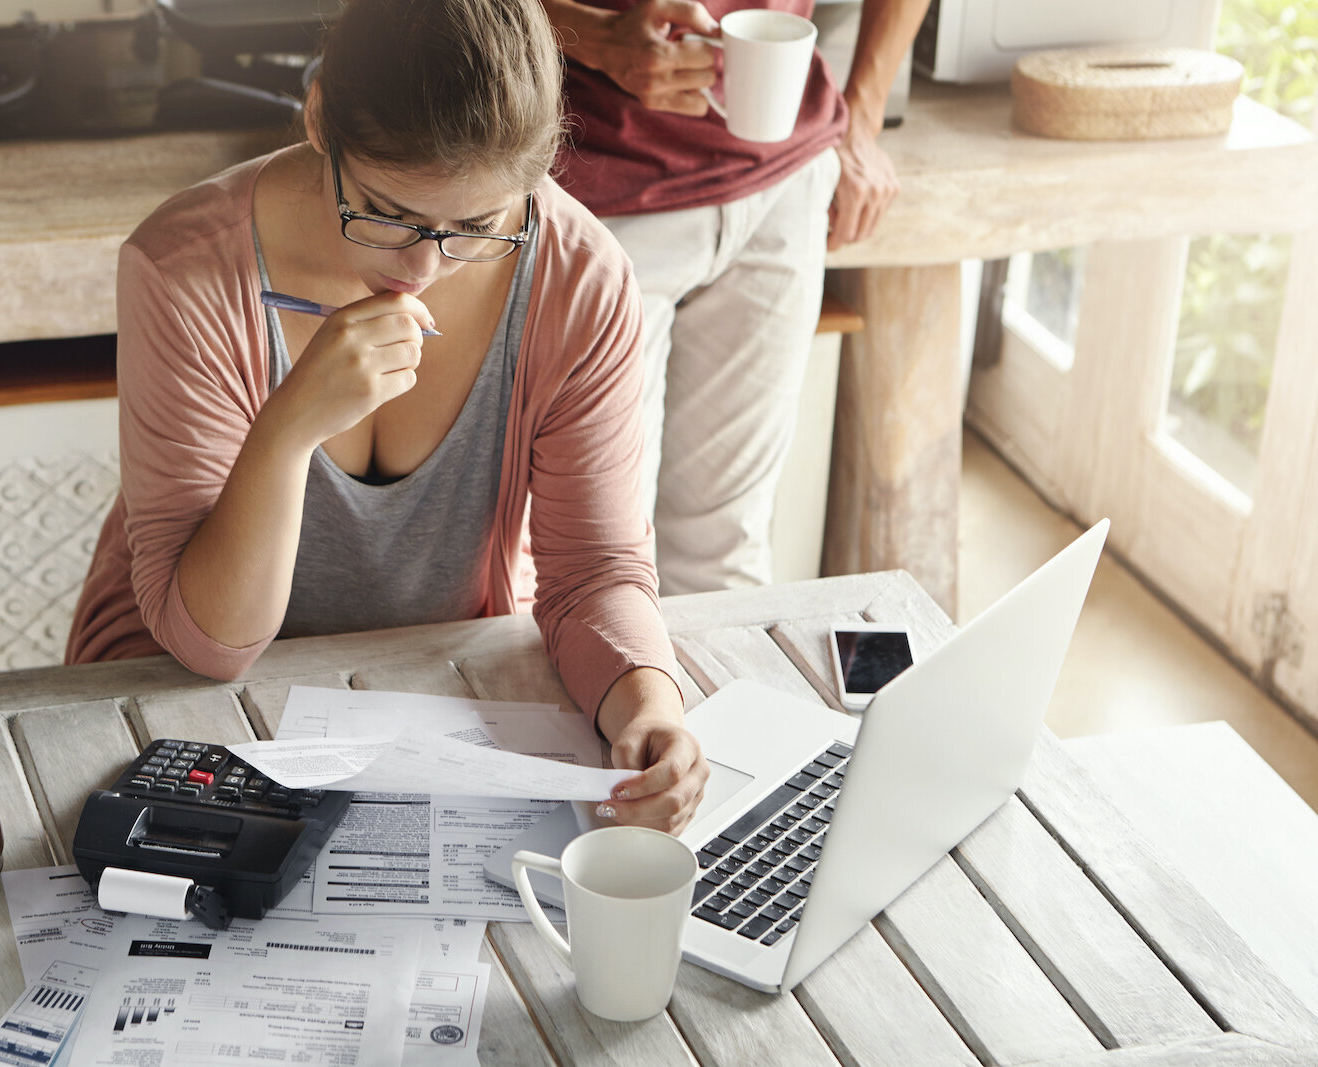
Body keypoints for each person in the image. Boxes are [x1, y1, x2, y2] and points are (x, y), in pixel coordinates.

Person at [65, 0, 708, 832]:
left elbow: (592, 575)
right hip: (174, 694)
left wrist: (649, 707)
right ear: (319, 114)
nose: (423, 268)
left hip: (427, 696)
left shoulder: (580, 281)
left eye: (477, 227)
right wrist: (290, 427)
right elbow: (210, 642)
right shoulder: (185, 270)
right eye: (389, 213)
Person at [540, 0, 931, 594]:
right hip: (594, 192)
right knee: (601, 564)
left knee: (727, 553)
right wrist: (593, 36)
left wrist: (865, 119)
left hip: (785, 180)